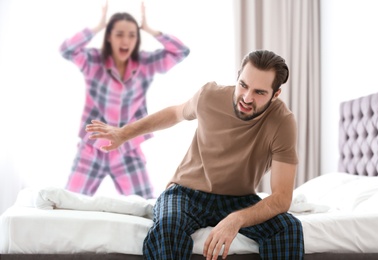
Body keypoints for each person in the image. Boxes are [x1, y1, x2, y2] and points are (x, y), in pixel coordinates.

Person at [85, 50, 304, 259]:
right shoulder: (210, 96)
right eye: (243, 85)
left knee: (287, 228)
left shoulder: (282, 122)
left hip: (239, 200)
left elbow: (281, 198)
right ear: (237, 78)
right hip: (186, 193)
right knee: (168, 227)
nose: (246, 98)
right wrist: (124, 133)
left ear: (275, 94)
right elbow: (175, 113)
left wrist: (236, 219)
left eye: (259, 92)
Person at [59, 0, 190, 198]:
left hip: (127, 148)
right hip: (92, 148)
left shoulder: (145, 63)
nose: (125, 41)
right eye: (119, 34)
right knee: (70, 203)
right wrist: (98, 27)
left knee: (146, 207)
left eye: (131, 35)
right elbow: (66, 50)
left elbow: (181, 51)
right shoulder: (93, 60)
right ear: (109, 37)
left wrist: (149, 29)